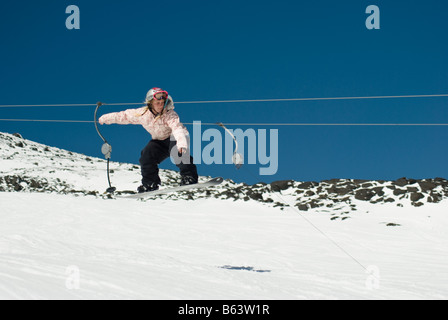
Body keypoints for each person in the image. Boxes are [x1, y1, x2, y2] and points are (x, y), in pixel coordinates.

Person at [98, 87, 198, 193]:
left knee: (176, 153)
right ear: (150, 103)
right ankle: (150, 184)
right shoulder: (142, 114)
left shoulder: (169, 114)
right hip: (159, 141)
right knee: (146, 155)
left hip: (175, 137)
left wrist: (181, 143)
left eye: (162, 102)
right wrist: (106, 118)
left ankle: (189, 177)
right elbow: (124, 116)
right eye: (157, 102)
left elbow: (177, 128)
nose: (160, 105)